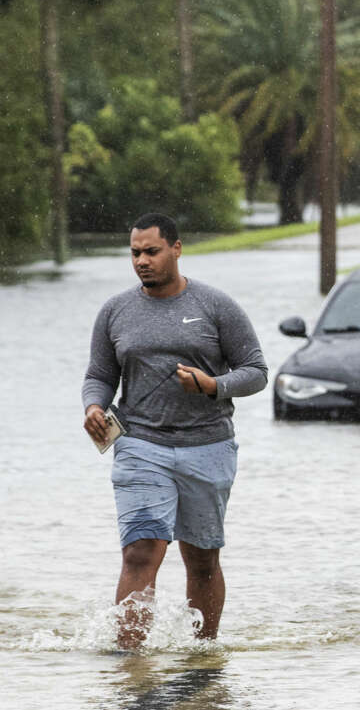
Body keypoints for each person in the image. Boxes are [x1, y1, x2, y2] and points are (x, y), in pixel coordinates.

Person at [82, 213, 268, 649]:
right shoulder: (115, 311)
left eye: (151, 251)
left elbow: (256, 371)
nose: (142, 261)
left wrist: (213, 385)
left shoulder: (215, 306)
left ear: (176, 249)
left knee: (201, 559)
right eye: (135, 253)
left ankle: (201, 659)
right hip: (140, 445)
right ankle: (132, 664)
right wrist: (93, 405)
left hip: (208, 447)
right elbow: (99, 374)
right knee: (141, 550)